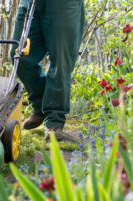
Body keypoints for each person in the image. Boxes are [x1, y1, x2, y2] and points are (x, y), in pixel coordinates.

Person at [10, 0, 85, 141]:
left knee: (61, 63)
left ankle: (54, 120)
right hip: (30, 3)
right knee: (19, 55)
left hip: (62, 6)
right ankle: (41, 105)